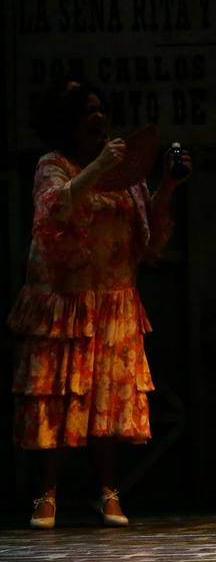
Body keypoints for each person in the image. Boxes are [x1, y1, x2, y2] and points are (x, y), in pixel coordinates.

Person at [8, 81, 191, 529]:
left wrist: (167, 183)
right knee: (54, 400)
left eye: (102, 109)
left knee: (106, 403)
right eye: (87, 111)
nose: (98, 117)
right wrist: (98, 166)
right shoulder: (53, 166)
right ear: (68, 123)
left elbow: (149, 239)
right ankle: (45, 495)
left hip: (113, 304)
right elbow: (54, 208)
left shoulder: (125, 178)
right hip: (64, 304)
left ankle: (107, 492)